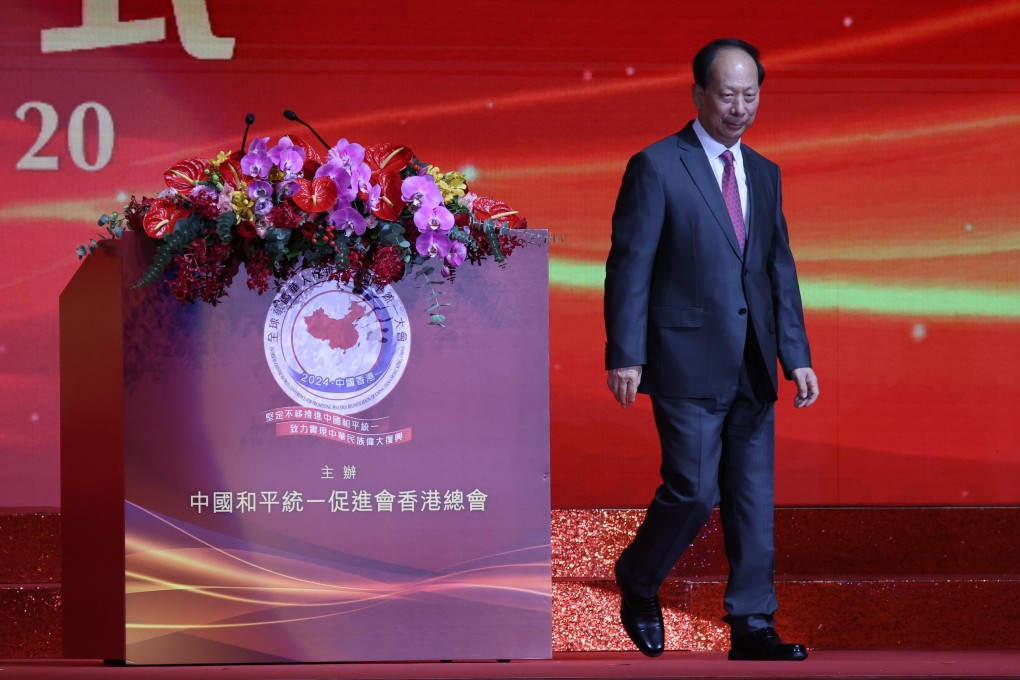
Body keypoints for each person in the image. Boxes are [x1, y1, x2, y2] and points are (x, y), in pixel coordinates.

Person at [603, 38, 819, 662]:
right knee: (695, 490)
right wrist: (625, 350)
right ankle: (640, 577)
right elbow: (630, 264)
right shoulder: (657, 165)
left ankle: (753, 625)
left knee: (752, 501)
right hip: (684, 358)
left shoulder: (766, 173)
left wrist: (796, 354)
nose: (740, 107)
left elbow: (778, 269)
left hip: (754, 360)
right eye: (728, 94)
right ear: (697, 93)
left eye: (751, 95)